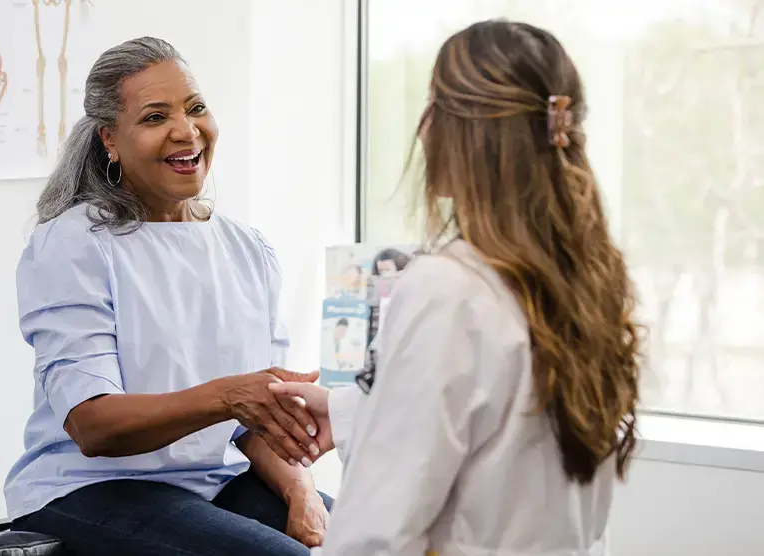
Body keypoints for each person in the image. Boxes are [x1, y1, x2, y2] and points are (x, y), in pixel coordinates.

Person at [270, 20, 642, 555]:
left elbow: (375, 533)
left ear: (471, 133)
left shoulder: (447, 289)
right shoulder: (588, 278)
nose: (422, 129)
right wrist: (347, 412)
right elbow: (505, 427)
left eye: (434, 106)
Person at [3, 37, 332, 556]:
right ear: (110, 140)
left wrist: (302, 491)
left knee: (377, 537)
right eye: (156, 117)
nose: (186, 131)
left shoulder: (248, 249)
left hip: (215, 479)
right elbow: (94, 427)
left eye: (196, 108)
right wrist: (227, 396)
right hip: (91, 490)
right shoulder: (73, 246)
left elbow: (258, 422)